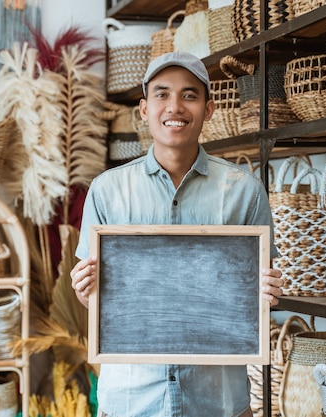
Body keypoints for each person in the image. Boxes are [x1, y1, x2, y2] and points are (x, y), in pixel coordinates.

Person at [70, 51, 283, 417]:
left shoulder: (244, 191)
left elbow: (252, 299)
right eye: (162, 94)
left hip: (218, 403)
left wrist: (264, 295)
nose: (175, 107)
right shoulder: (106, 191)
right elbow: (99, 301)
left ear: (209, 109)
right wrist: (87, 295)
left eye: (189, 95)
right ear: (143, 108)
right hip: (130, 402)